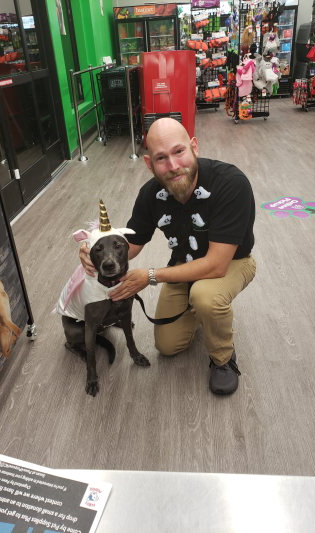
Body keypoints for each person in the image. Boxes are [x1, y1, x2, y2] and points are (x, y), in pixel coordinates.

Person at [80, 118, 256, 395]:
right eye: (161, 158)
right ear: (149, 164)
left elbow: (216, 264)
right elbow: (131, 244)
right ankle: (202, 311)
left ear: (194, 147)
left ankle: (223, 358)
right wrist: (94, 248)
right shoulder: (150, 194)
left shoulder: (230, 184)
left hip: (232, 261)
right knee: (167, 345)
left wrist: (151, 276)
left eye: (179, 151)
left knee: (206, 297)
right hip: (184, 263)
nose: (173, 166)